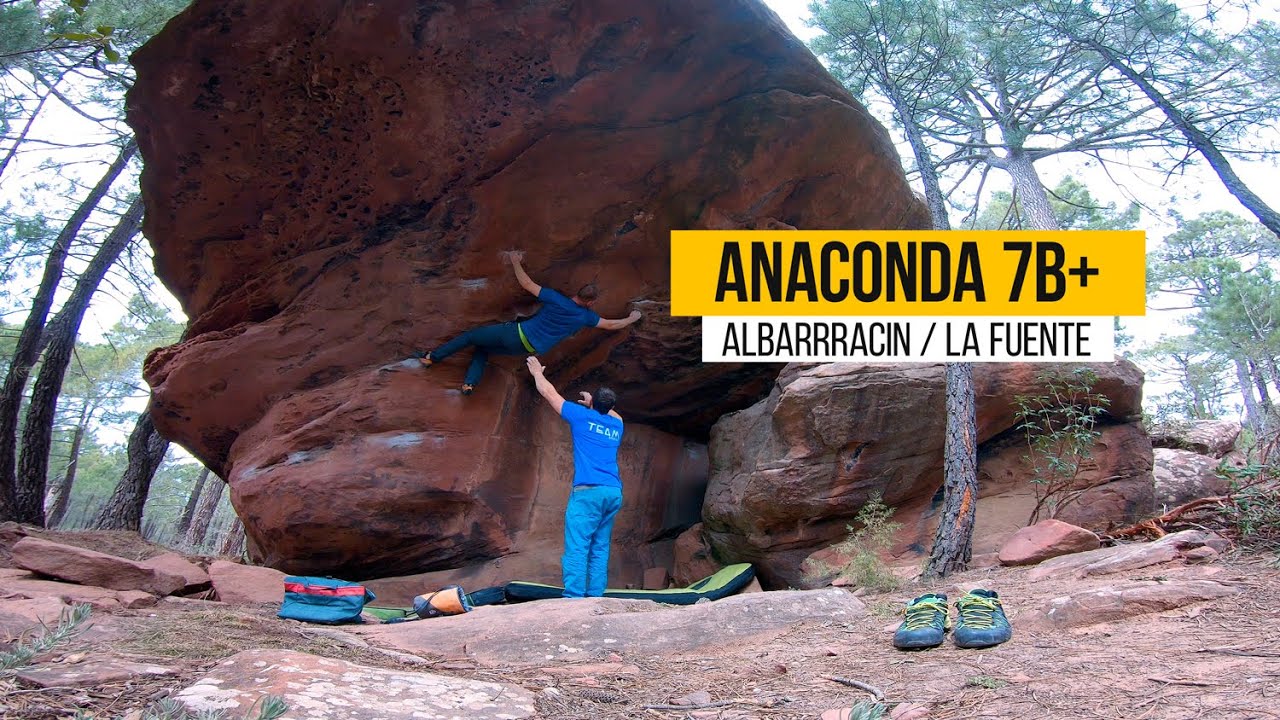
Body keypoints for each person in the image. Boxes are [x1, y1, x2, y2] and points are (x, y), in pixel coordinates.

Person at [415, 251, 642, 394]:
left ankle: (431, 357)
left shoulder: (556, 298)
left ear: (577, 293)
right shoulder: (586, 317)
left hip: (516, 334)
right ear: (591, 302)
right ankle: (470, 383)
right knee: (482, 349)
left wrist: (515, 261)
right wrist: (632, 318)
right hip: (526, 349)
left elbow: (528, 285)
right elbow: (611, 325)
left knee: (470, 336)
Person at [525, 355, 624, 599]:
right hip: (612, 492)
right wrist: (596, 404)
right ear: (609, 406)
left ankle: (574, 599)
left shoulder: (581, 416)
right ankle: (595, 595)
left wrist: (538, 373)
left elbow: (550, 393)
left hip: (588, 492)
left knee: (578, 545)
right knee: (599, 547)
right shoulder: (617, 425)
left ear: (593, 404)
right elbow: (615, 415)